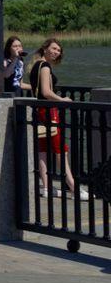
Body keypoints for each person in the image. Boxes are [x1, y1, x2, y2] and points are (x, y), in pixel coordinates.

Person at [29, 38, 88, 201]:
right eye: (54, 49)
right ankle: (74, 188)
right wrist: (62, 100)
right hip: (49, 111)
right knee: (60, 149)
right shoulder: (45, 66)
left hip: (39, 110)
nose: (56, 52)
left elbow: (38, 91)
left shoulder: (35, 65)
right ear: (45, 48)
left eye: (59, 51)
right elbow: (47, 92)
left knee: (43, 150)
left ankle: (47, 187)